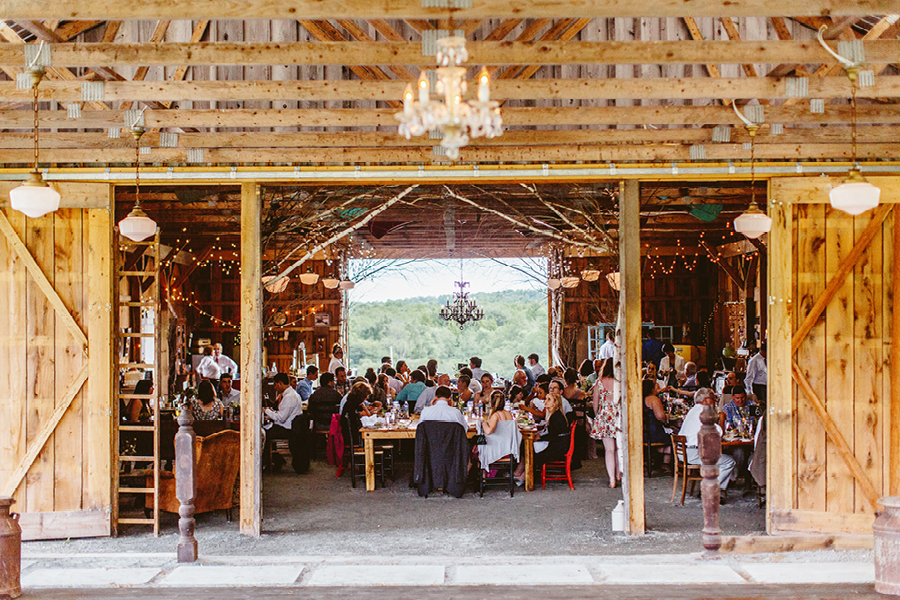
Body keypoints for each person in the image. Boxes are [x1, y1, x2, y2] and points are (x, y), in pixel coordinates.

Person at [678, 387, 736, 497]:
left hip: (684, 451)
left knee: (722, 459)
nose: (715, 402)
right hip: (693, 453)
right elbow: (718, 433)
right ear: (705, 400)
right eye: (713, 399)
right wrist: (722, 418)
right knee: (728, 462)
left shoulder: (693, 410)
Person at [514, 393, 570, 484]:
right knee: (525, 444)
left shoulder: (556, 416)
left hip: (557, 447)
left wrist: (539, 438)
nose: (545, 401)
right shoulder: (552, 414)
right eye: (546, 399)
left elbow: (553, 436)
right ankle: (520, 472)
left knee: (527, 447)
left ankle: (524, 475)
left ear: (555, 403)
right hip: (556, 443)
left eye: (549, 399)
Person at [590, 359, 621, 488]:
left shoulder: (599, 382)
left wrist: (598, 414)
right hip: (618, 415)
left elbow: (595, 403)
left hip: (604, 415)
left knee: (609, 449)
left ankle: (612, 479)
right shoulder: (619, 383)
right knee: (618, 447)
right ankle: (619, 474)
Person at [642, 378, 669, 446]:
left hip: (641, 434)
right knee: (670, 439)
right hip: (654, 433)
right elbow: (660, 417)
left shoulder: (639, 399)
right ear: (652, 389)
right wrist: (666, 417)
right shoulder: (654, 399)